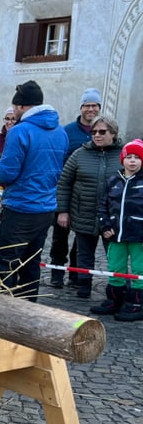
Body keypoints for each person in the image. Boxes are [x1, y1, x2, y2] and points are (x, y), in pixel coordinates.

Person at [0, 80, 67, 301]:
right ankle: (28, 313)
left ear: (21, 106)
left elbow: (7, 174)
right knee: (30, 264)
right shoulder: (60, 131)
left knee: (3, 264)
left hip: (20, 208)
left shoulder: (20, 131)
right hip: (45, 209)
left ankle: (1, 315)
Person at [56, 115, 123, 299]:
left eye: (102, 132)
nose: (97, 135)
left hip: (113, 218)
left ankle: (117, 290)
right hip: (83, 213)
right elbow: (64, 183)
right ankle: (83, 287)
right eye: (94, 132)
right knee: (84, 255)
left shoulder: (124, 155)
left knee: (114, 255)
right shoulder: (80, 153)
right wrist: (63, 210)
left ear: (113, 133)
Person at [50, 87, 102, 288]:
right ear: (81, 108)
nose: (90, 109)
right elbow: (58, 160)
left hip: (88, 196)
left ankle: (75, 272)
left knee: (83, 238)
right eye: (87, 105)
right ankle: (56, 270)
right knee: (60, 235)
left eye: (94, 105)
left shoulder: (104, 130)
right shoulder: (68, 131)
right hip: (66, 191)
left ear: (99, 108)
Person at [95, 139, 143, 320]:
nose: (132, 161)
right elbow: (102, 206)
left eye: (137, 157)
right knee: (116, 267)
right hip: (116, 235)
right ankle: (115, 299)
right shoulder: (113, 180)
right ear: (122, 159)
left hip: (139, 237)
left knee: (140, 269)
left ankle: (137, 304)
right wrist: (104, 226)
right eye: (129, 157)